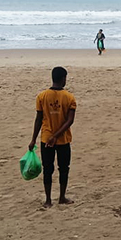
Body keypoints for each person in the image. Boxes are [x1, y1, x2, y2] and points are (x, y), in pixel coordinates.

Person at [28, 67, 77, 207]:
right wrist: (57, 136)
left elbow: (38, 119)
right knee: (64, 168)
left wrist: (33, 139)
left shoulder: (42, 96)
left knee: (47, 168)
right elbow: (70, 120)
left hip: (46, 139)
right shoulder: (69, 97)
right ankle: (62, 197)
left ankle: (48, 200)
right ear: (63, 78)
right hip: (63, 140)